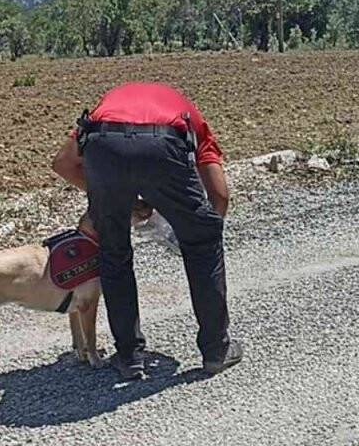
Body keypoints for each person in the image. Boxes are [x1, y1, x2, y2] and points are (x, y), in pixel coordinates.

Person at [51, 81, 243, 380]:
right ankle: (216, 350)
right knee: (203, 243)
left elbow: (63, 164)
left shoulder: (107, 107)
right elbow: (220, 196)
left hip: (104, 143)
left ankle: (128, 357)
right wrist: (201, 233)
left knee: (113, 254)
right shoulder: (190, 116)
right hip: (162, 145)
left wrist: (112, 199)